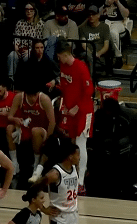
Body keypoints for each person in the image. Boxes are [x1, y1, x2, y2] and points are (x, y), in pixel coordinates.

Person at [54, 38, 94, 194]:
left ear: (65, 54)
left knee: (81, 142)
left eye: (59, 56)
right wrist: (64, 103)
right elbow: (65, 86)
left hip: (83, 110)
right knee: (72, 142)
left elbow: (89, 91)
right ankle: (74, 173)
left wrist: (77, 107)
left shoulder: (81, 67)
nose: (58, 59)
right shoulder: (63, 66)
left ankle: (81, 181)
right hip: (70, 110)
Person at [7, 83, 56, 181]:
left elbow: (52, 122)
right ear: (25, 94)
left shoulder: (44, 99)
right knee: (9, 128)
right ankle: (15, 164)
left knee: (35, 131)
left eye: (35, 95)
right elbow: (10, 117)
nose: (33, 98)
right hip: (25, 127)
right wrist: (15, 119)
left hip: (41, 130)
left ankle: (36, 164)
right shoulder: (19, 97)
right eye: (30, 96)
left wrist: (48, 139)